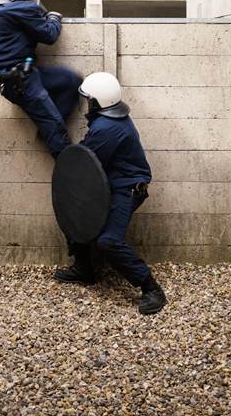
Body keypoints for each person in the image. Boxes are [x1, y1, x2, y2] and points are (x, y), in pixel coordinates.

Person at [54, 72, 168, 315]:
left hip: (127, 189)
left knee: (109, 241)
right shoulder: (109, 120)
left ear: (98, 102)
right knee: (76, 212)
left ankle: (151, 288)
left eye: (89, 100)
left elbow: (85, 163)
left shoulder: (107, 128)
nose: (86, 104)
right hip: (113, 184)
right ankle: (84, 269)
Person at [0, 0, 82, 158]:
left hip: (23, 76)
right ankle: (69, 164)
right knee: (54, 126)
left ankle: (48, 133)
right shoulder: (20, 9)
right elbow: (49, 35)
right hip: (22, 82)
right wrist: (53, 18)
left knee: (70, 80)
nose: (33, 3)